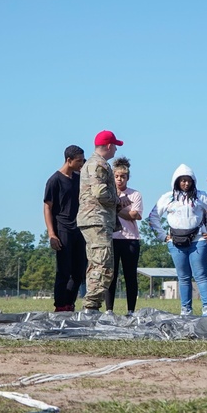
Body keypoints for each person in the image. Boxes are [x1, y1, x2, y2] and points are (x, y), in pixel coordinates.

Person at [149, 164, 207, 316]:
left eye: (189, 180)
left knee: (201, 276)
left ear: (193, 181)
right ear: (176, 181)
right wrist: (162, 236)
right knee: (183, 277)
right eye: (182, 180)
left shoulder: (201, 196)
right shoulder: (167, 197)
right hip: (176, 242)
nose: (186, 184)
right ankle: (186, 309)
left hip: (198, 240)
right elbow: (153, 217)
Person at [78, 130, 122, 313]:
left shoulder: (93, 163)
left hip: (94, 219)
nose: (115, 151)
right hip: (97, 218)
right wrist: (119, 200)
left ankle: (92, 306)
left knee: (97, 262)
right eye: (115, 147)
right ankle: (91, 307)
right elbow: (100, 192)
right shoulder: (99, 164)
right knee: (103, 263)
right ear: (109, 146)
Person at [44, 145, 87, 312]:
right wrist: (51, 234)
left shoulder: (79, 178)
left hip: (80, 229)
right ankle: (60, 305)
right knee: (64, 270)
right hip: (62, 229)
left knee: (79, 271)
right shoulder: (54, 180)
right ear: (69, 160)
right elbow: (47, 207)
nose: (81, 164)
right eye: (79, 161)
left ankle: (69, 303)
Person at [107, 157, 143, 314]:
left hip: (130, 239)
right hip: (112, 238)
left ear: (127, 177)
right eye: (116, 176)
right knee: (111, 276)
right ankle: (109, 310)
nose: (120, 179)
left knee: (130, 276)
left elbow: (135, 214)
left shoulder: (135, 194)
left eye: (123, 176)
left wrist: (113, 208)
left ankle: (130, 311)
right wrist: (123, 210)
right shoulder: (108, 194)